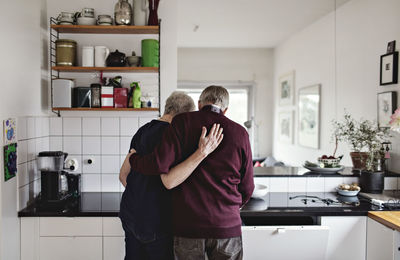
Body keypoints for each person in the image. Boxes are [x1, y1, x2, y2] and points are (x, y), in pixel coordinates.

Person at [129, 85, 255, 259]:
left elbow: (159, 164)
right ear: (225, 110)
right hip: (227, 226)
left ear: (199, 103)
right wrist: (229, 209)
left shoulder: (182, 122)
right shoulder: (240, 133)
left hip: (188, 226)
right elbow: (247, 187)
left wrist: (133, 159)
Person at [119, 91, 224, 260]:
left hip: (130, 214)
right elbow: (173, 179)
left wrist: (142, 195)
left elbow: (123, 176)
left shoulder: (142, 131)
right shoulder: (174, 136)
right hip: (158, 219)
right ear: (184, 116)